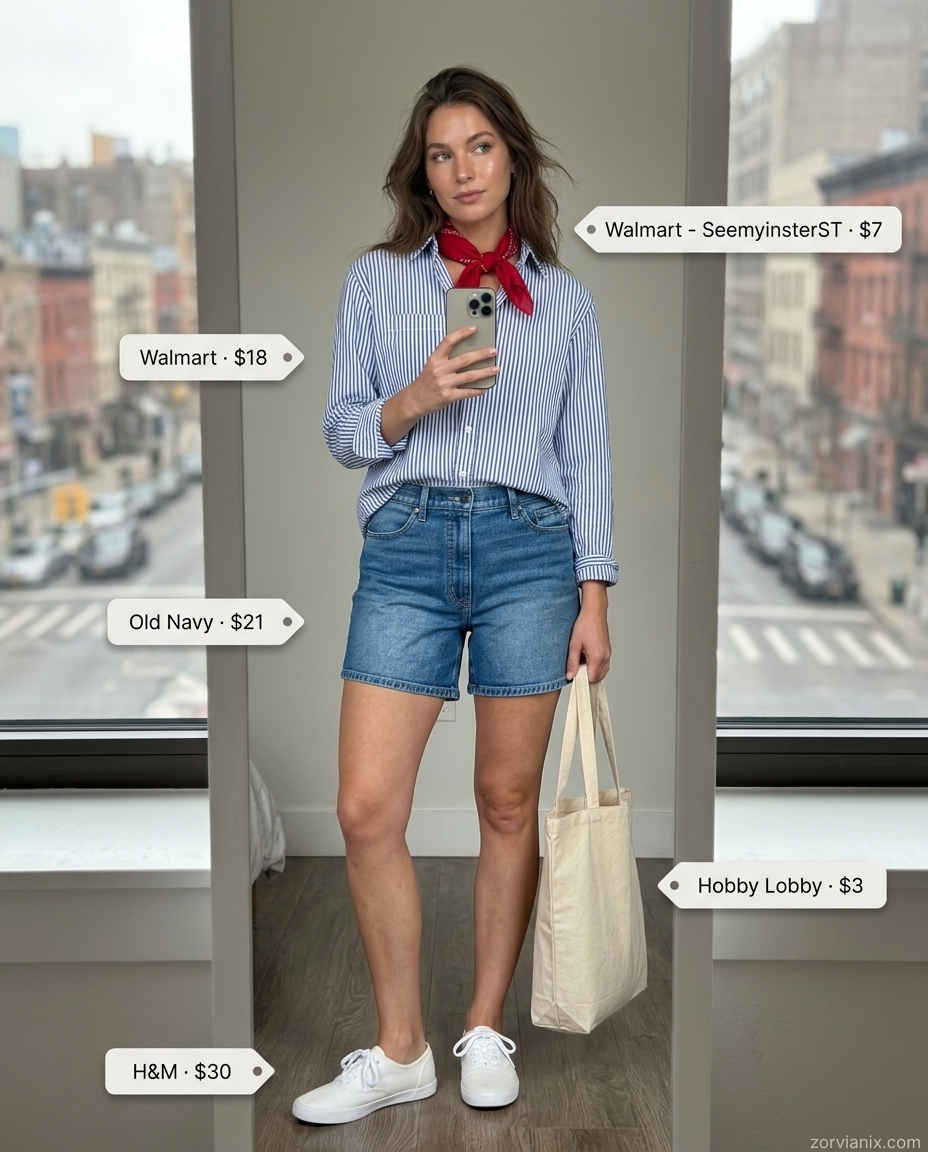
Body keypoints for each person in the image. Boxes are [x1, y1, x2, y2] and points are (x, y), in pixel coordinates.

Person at [292, 66, 616, 1126]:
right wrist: (415, 397)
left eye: (479, 146)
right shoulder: (375, 282)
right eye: (441, 152)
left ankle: (483, 1027)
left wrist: (594, 592)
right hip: (409, 542)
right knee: (366, 807)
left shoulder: (564, 304)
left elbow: (585, 458)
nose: (462, 168)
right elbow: (343, 431)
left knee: (506, 803)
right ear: (420, 174)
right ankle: (398, 1050)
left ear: (511, 156)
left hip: (531, 549)